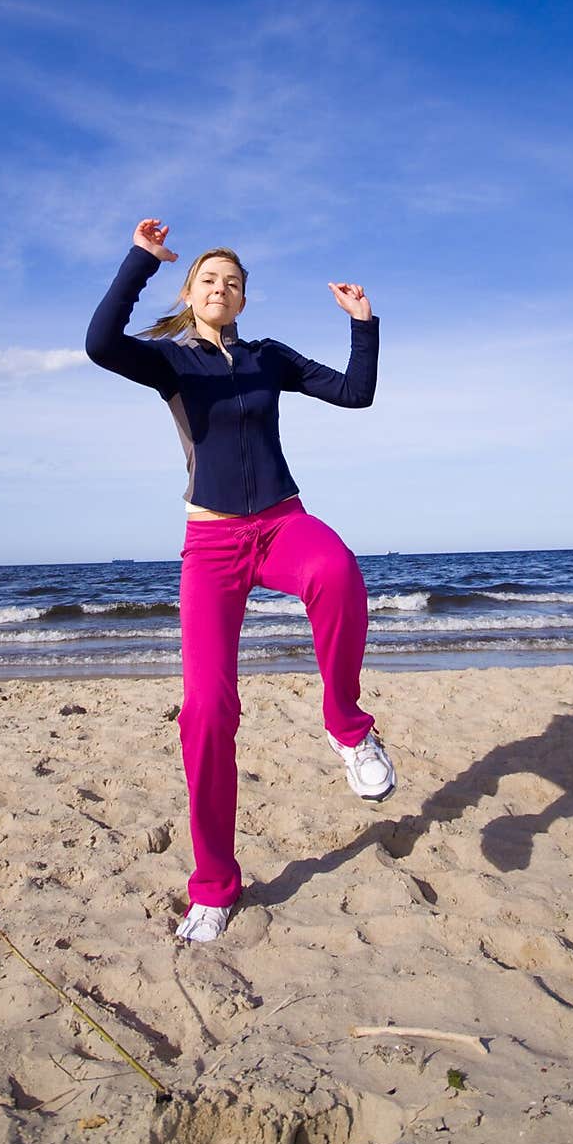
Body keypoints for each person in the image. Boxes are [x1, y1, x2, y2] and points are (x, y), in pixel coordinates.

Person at [85, 218, 396, 943]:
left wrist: (364, 325)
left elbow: (356, 394)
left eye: (232, 282)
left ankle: (349, 731)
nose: (220, 289)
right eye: (207, 280)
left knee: (340, 572)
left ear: (245, 299)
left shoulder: (267, 358)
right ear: (191, 294)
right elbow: (101, 343)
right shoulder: (169, 361)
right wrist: (141, 261)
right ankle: (215, 886)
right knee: (207, 713)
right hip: (213, 543)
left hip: (284, 524)